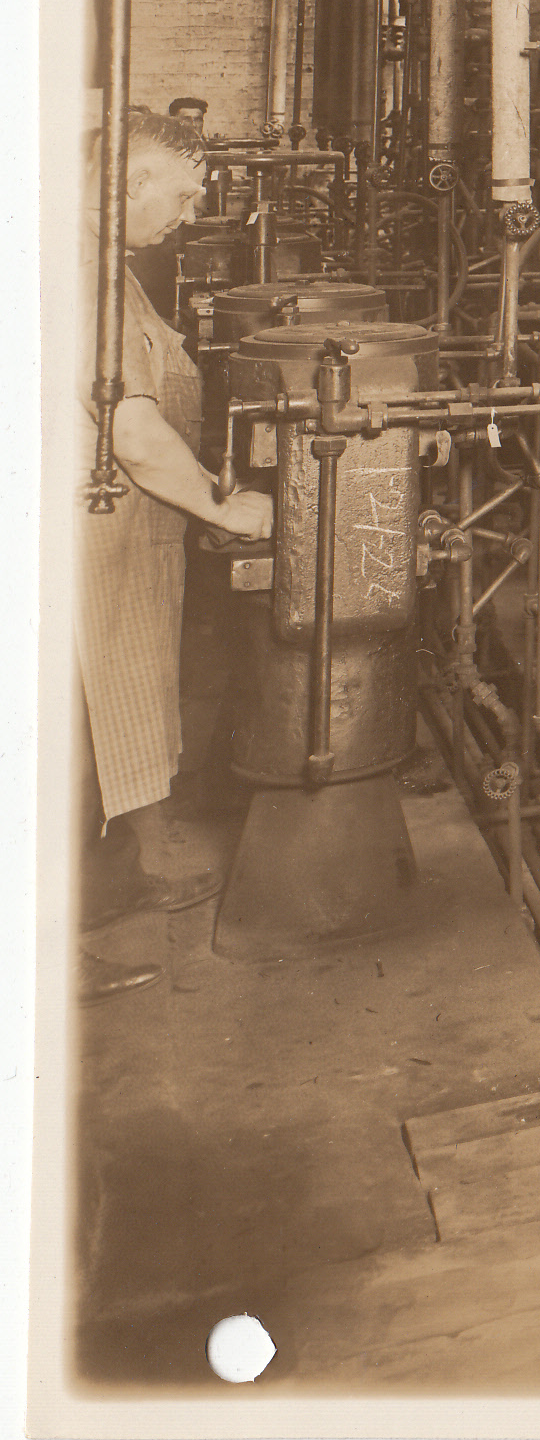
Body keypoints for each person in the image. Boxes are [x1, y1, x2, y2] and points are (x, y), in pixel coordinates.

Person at [75, 108, 275, 1001]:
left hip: (117, 546)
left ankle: (107, 887)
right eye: (183, 194)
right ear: (126, 182)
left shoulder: (108, 269)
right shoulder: (80, 277)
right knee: (69, 740)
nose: (190, 215)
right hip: (83, 553)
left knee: (101, 728)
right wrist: (226, 509)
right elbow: (131, 427)